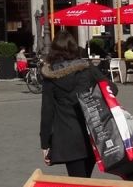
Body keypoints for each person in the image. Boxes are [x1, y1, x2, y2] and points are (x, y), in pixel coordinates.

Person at [39, 38, 98, 177]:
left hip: (67, 137)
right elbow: (112, 88)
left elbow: (47, 112)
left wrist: (45, 144)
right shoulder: (87, 69)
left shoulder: (50, 76)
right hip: (92, 132)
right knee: (86, 180)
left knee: (78, 182)